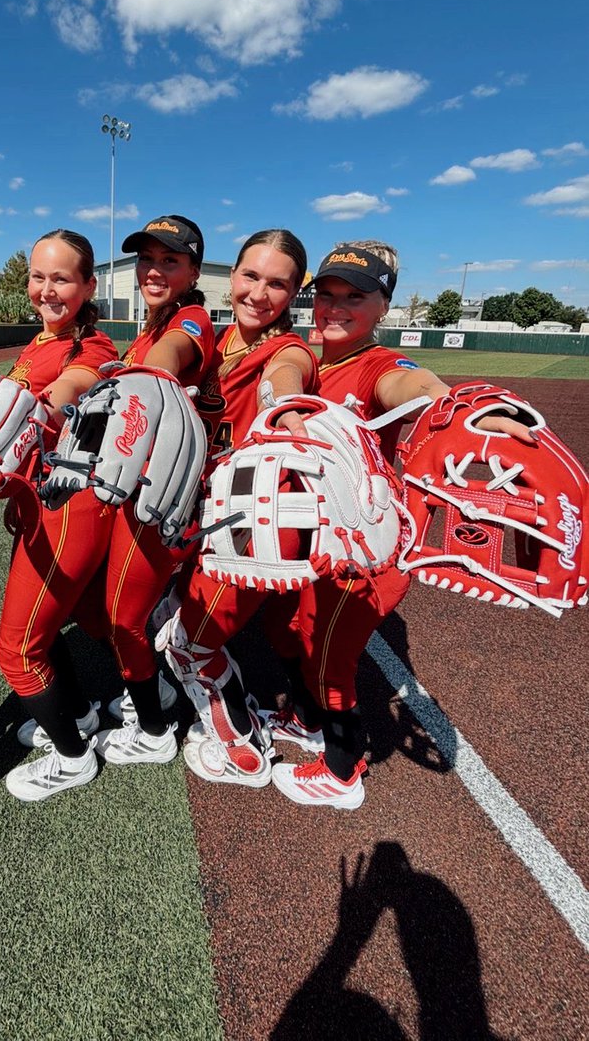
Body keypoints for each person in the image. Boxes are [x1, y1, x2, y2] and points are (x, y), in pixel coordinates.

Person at [262, 240, 534, 809]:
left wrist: (456, 407)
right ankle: (309, 718)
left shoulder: (378, 363)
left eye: (353, 298)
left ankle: (342, 770)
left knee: (331, 657)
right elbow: (287, 373)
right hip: (324, 536)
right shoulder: (320, 359)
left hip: (368, 549)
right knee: (296, 633)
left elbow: (414, 386)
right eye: (327, 295)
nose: (334, 308)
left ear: (383, 307)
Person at [157, 229, 320, 787]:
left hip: (247, 522)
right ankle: (235, 701)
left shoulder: (287, 349)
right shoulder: (219, 339)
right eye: (251, 276)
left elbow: (284, 381)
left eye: (277, 283)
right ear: (231, 278)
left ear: (295, 293)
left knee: (188, 644)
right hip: (201, 509)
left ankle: (243, 750)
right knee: (175, 612)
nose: (259, 293)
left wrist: (285, 409)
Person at [63, 215, 218, 771]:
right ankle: (157, 693)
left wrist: (146, 376)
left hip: (165, 496)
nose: (153, 269)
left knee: (123, 616)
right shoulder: (151, 325)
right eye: (146, 259)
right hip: (140, 488)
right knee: (109, 609)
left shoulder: (190, 318)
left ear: (194, 271)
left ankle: (154, 729)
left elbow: (172, 355)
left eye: (169, 260)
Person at [0, 230, 120, 802]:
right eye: (39, 277)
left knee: (17, 651)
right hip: (41, 508)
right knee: (51, 627)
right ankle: (81, 711)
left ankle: (73, 757)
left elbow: (69, 391)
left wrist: (26, 412)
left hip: (70, 511)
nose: (48, 289)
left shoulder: (90, 349)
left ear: (89, 285)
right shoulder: (37, 343)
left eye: (62, 278)